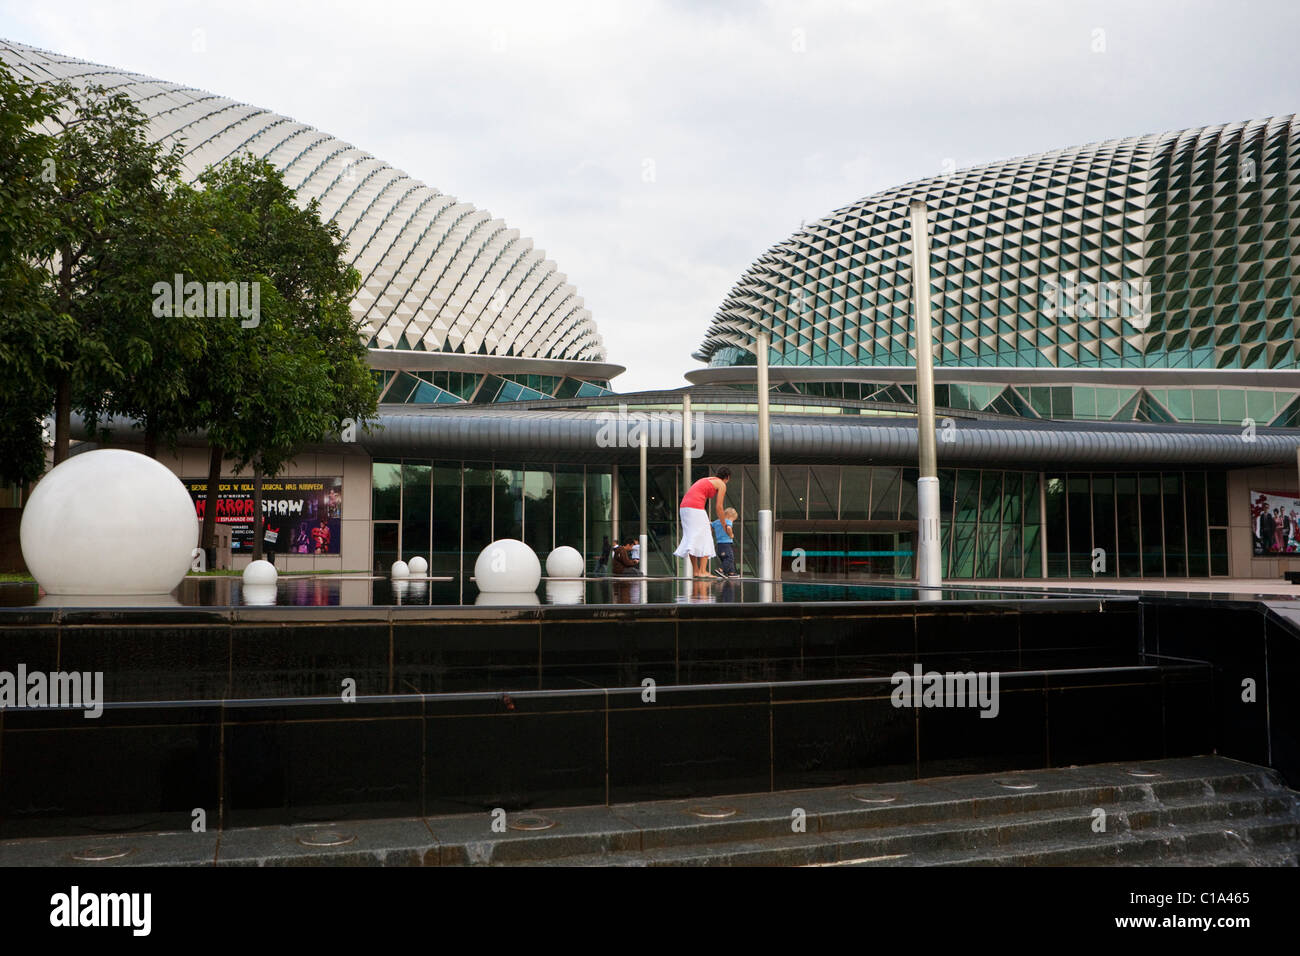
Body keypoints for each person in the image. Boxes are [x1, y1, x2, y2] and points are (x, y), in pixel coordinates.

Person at [673, 466, 731, 578]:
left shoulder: (707, 479)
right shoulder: (721, 484)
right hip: (695, 508)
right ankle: (703, 571)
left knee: (691, 537)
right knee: (706, 536)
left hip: (684, 508)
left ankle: (696, 571)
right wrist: (724, 525)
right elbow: (719, 507)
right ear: (727, 477)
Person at [711, 507, 738, 577]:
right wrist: (731, 535)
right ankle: (720, 569)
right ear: (730, 516)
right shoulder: (727, 521)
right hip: (726, 544)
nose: (732, 521)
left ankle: (731, 572)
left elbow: (710, 525)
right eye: (733, 520)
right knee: (729, 558)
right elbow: (728, 528)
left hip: (719, 544)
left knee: (726, 558)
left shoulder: (717, 521)